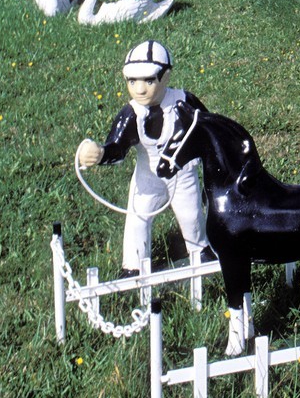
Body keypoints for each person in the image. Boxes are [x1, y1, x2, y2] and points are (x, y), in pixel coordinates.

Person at [76, 40, 209, 275]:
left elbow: (207, 130)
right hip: (148, 176)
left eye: (149, 81)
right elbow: (118, 147)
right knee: (138, 218)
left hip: (182, 173)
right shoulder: (131, 114)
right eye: (132, 81)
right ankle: (134, 267)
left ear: (165, 77)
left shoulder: (184, 102)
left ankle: (201, 253)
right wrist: (100, 153)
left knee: (191, 215)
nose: (139, 90)